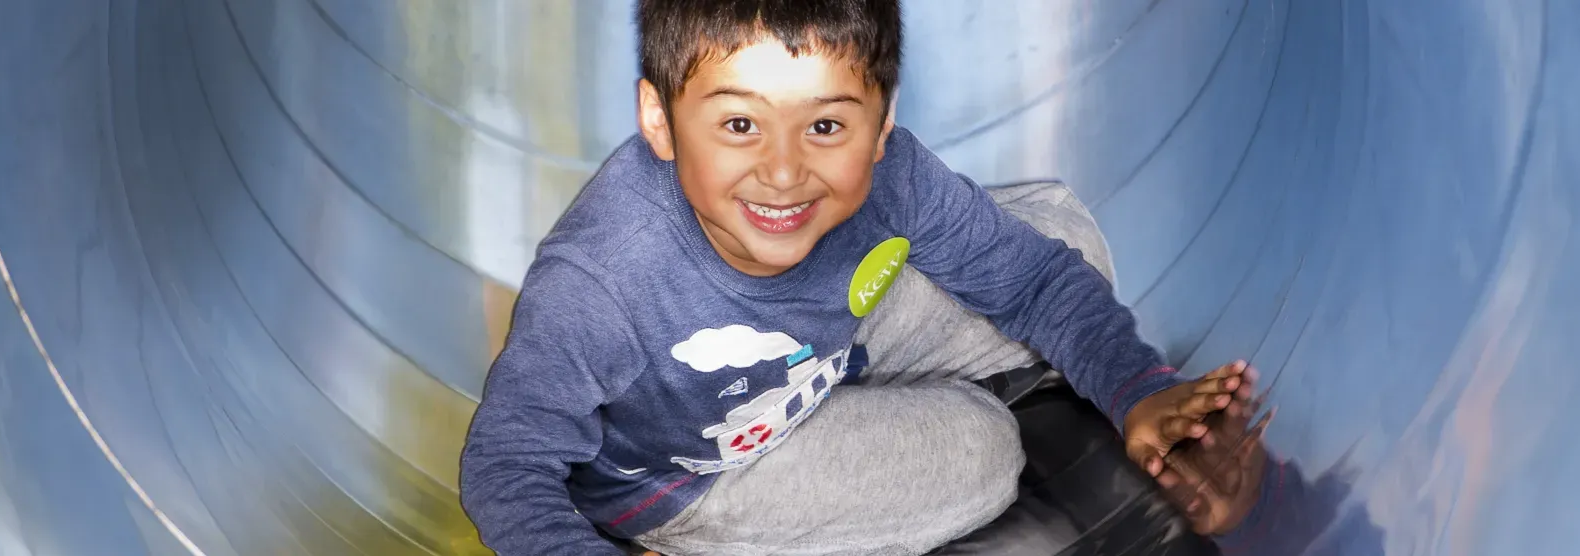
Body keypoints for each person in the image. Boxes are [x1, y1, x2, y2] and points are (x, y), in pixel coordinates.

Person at [459, 1, 1266, 553]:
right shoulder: (604, 282)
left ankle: (895, 382)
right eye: (739, 124)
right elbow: (505, 466)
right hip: (694, 469)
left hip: (826, 343)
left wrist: (1136, 388)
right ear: (659, 122)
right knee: (978, 456)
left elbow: (1034, 280)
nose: (783, 171)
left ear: (881, 126)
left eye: (826, 125)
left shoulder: (890, 178)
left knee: (1062, 234)